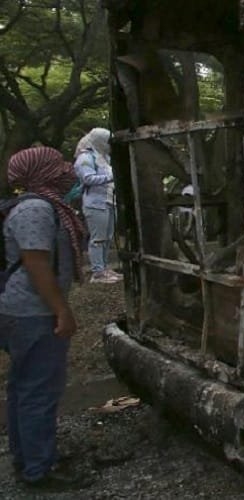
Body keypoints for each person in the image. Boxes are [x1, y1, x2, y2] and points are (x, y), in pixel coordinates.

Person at [0, 147, 89, 490]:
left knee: (23, 389)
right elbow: (36, 264)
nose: (67, 170)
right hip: (32, 313)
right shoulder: (36, 208)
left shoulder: (39, 206)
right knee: (38, 391)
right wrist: (62, 311)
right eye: (58, 165)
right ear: (41, 172)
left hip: (20, 310)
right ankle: (39, 471)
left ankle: (29, 459)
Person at [74, 128, 120, 284]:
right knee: (98, 238)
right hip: (95, 203)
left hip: (109, 201)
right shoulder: (85, 158)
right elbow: (88, 178)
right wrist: (112, 176)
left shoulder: (104, 157)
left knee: (107, 238)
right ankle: (97, 272)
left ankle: (104, 268)